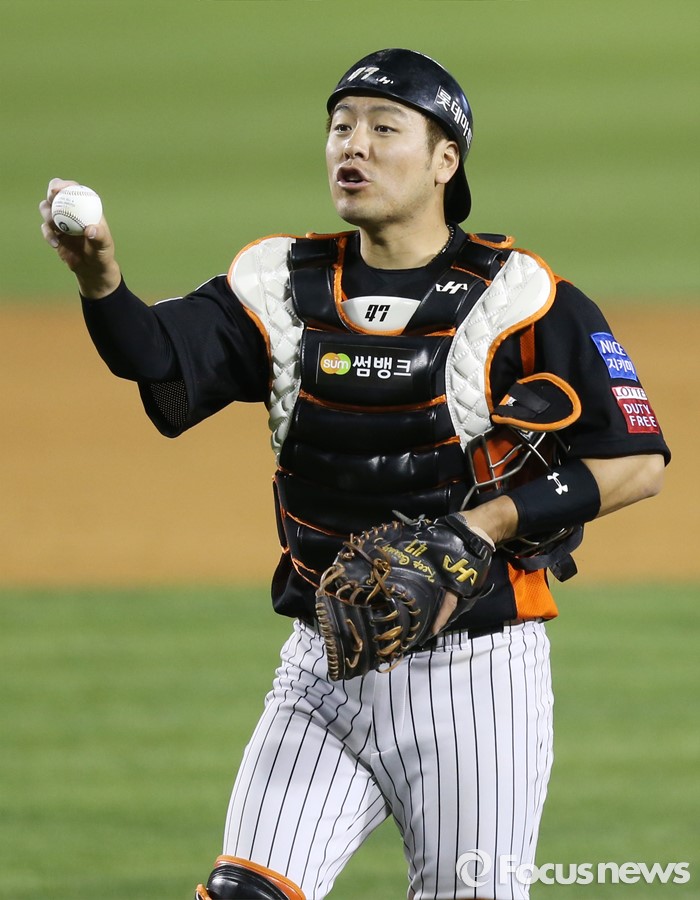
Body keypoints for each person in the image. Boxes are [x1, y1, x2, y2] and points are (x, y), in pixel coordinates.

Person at [40, 48, 669, 900]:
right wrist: (99, 276)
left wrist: (483, 524)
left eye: (383, 128)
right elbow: (154, 356)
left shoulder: (525, 299)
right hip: (322, 668)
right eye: (341, 127)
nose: (354, 146)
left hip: (476, 682)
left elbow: (636, 460)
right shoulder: (278, 284)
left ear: (445, 160)